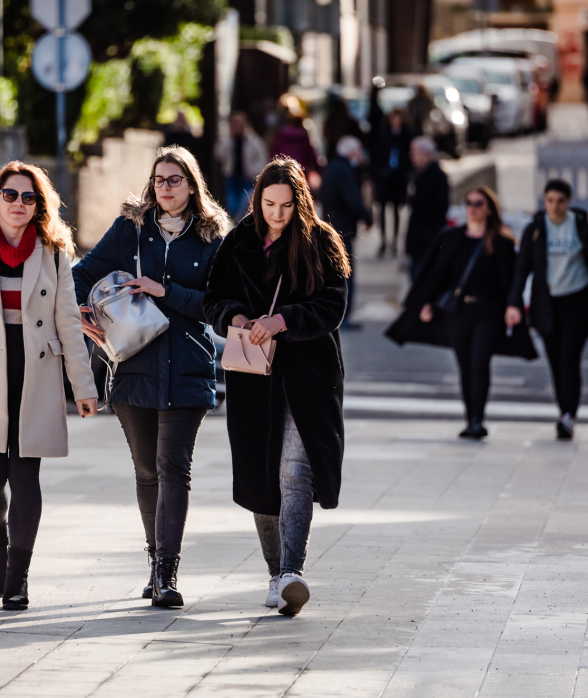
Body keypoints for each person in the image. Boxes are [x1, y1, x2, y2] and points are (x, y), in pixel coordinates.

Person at [0, 161, 98, 611]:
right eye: (10, 195)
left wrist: (82, 387)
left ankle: (19, 575)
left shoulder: (53, 254)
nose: (19, 204)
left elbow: (69, 323)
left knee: (26, 475)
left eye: (29, 197)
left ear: (38, 206)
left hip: (36, 371)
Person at [72, 146, 229, 608]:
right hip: (133, 365)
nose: (165, 187)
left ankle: (167, 572)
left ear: (192, 184)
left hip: (188, 367)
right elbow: (84, 272)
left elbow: (218, 307)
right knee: (146, 471)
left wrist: (167, 292)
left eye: (174, 179)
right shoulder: (131, 229)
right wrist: (83, 311)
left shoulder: (212, 236)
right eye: (159, 179)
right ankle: (153, 561)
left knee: (173, 469)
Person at [204, 156, 351, 616]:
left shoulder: (320, 242)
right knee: (259, 478)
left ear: (299, 201)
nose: (277, 214)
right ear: (257, 200)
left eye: (286, 205)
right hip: (252, 380)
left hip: (309, 376)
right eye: (269, 204)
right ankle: (275, 574)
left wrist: (284, 318)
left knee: (295, 472)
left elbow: (333, 306)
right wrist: (235, 316)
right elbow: (213, 299)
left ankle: (291, 571)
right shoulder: (239, 241)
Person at [387, 187, 537, 439]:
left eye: (478, 203)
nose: (472, 208)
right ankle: (471, 419)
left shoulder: (500, 242)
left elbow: (512, 280)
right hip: (458, 313)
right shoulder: (452, 237)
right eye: (468, 203)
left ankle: (478, 420)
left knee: (479, 363)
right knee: (465, 366)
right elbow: (434, 274)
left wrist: (513, 306)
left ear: (489, 208)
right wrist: (425, 302)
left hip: (489, 312)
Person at [506, 178, 588, 440]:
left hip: (577, 301)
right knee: (554, 360)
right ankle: (563, 409)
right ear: (544, 202)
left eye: (560, 201)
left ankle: (568, 415)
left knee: (569, 358)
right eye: (550, 201)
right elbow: (522, 269)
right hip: (546, 303)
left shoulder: (582, 227)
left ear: (568, 202)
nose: (555, 206)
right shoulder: (536, 230)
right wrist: (513, 303)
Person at [319, 135, 371, 329]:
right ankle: (344, 316)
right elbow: (352, 199)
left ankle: (339, 315)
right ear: (350, 152)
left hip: (334, 227)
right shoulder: (343, 169)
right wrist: (367, 217)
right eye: (357, 151)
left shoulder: (332, 167)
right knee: (345, 273)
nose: (360, 156)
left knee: (337, 272)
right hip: (342, 229)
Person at [370, 108, 413, 258]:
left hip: (398, 178)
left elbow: (409, 156)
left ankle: (394, 241)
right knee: (381, 209)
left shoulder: (406, 135)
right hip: (383, 177)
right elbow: (375, 155)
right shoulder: (382, 134)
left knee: (396, 209)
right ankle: (383, 240)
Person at [404, 136, 449, 279]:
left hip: (427, 239)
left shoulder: (437, 176)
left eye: (415, 153)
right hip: (418, 238)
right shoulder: (419, 174)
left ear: (426, 154)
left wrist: (428, 233)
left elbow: (440, 208)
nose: (412, 157)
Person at [216, 110, 268, 221]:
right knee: (232, 204)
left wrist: (254, 172)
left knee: (244, 204)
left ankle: (240, 224)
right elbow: (219, 154)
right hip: (231, 176)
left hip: (246, 177)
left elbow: (262, 159)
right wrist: (228, 138)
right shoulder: (228, 140)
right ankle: (236, 224)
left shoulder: (253, 141)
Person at [270, 102, 321, 193]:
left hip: (282, 171)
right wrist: (319, 170)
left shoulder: (281, 134)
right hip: (300, 171)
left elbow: (273, 153)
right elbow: (311, 155)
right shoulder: (303, 136)